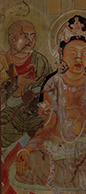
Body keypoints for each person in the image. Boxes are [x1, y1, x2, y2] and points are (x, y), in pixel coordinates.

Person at [15, 15, 86, 190]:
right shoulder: (53, 84)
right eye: (73, 53)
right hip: (56, 149)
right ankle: (72, 181)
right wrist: (28, 149)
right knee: (31, 164)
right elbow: (47, 127)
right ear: (61, 55)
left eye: (84, 54)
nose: (79, 59)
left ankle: (70, 181)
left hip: (85, 150)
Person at [0, 20, 53, 149]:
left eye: (33, 35)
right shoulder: (2, 62)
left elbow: (51, 88)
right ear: (12, 39)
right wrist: (16, 83)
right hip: (8, 120)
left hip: (34, 117)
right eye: (25, 36)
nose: (30, 40)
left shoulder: (40, 61)